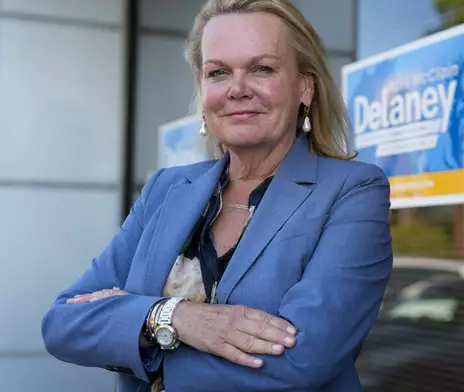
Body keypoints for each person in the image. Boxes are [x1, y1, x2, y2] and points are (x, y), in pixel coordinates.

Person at [41, 0, 393, 391]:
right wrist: (174, 317)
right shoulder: (165, 189)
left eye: (262, 69)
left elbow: (302, 360)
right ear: (203, 90)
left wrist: (130, 332)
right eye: (218, 72)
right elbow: (62, 324)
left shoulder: (353, 190)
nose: (237, 90)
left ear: (304, 87)